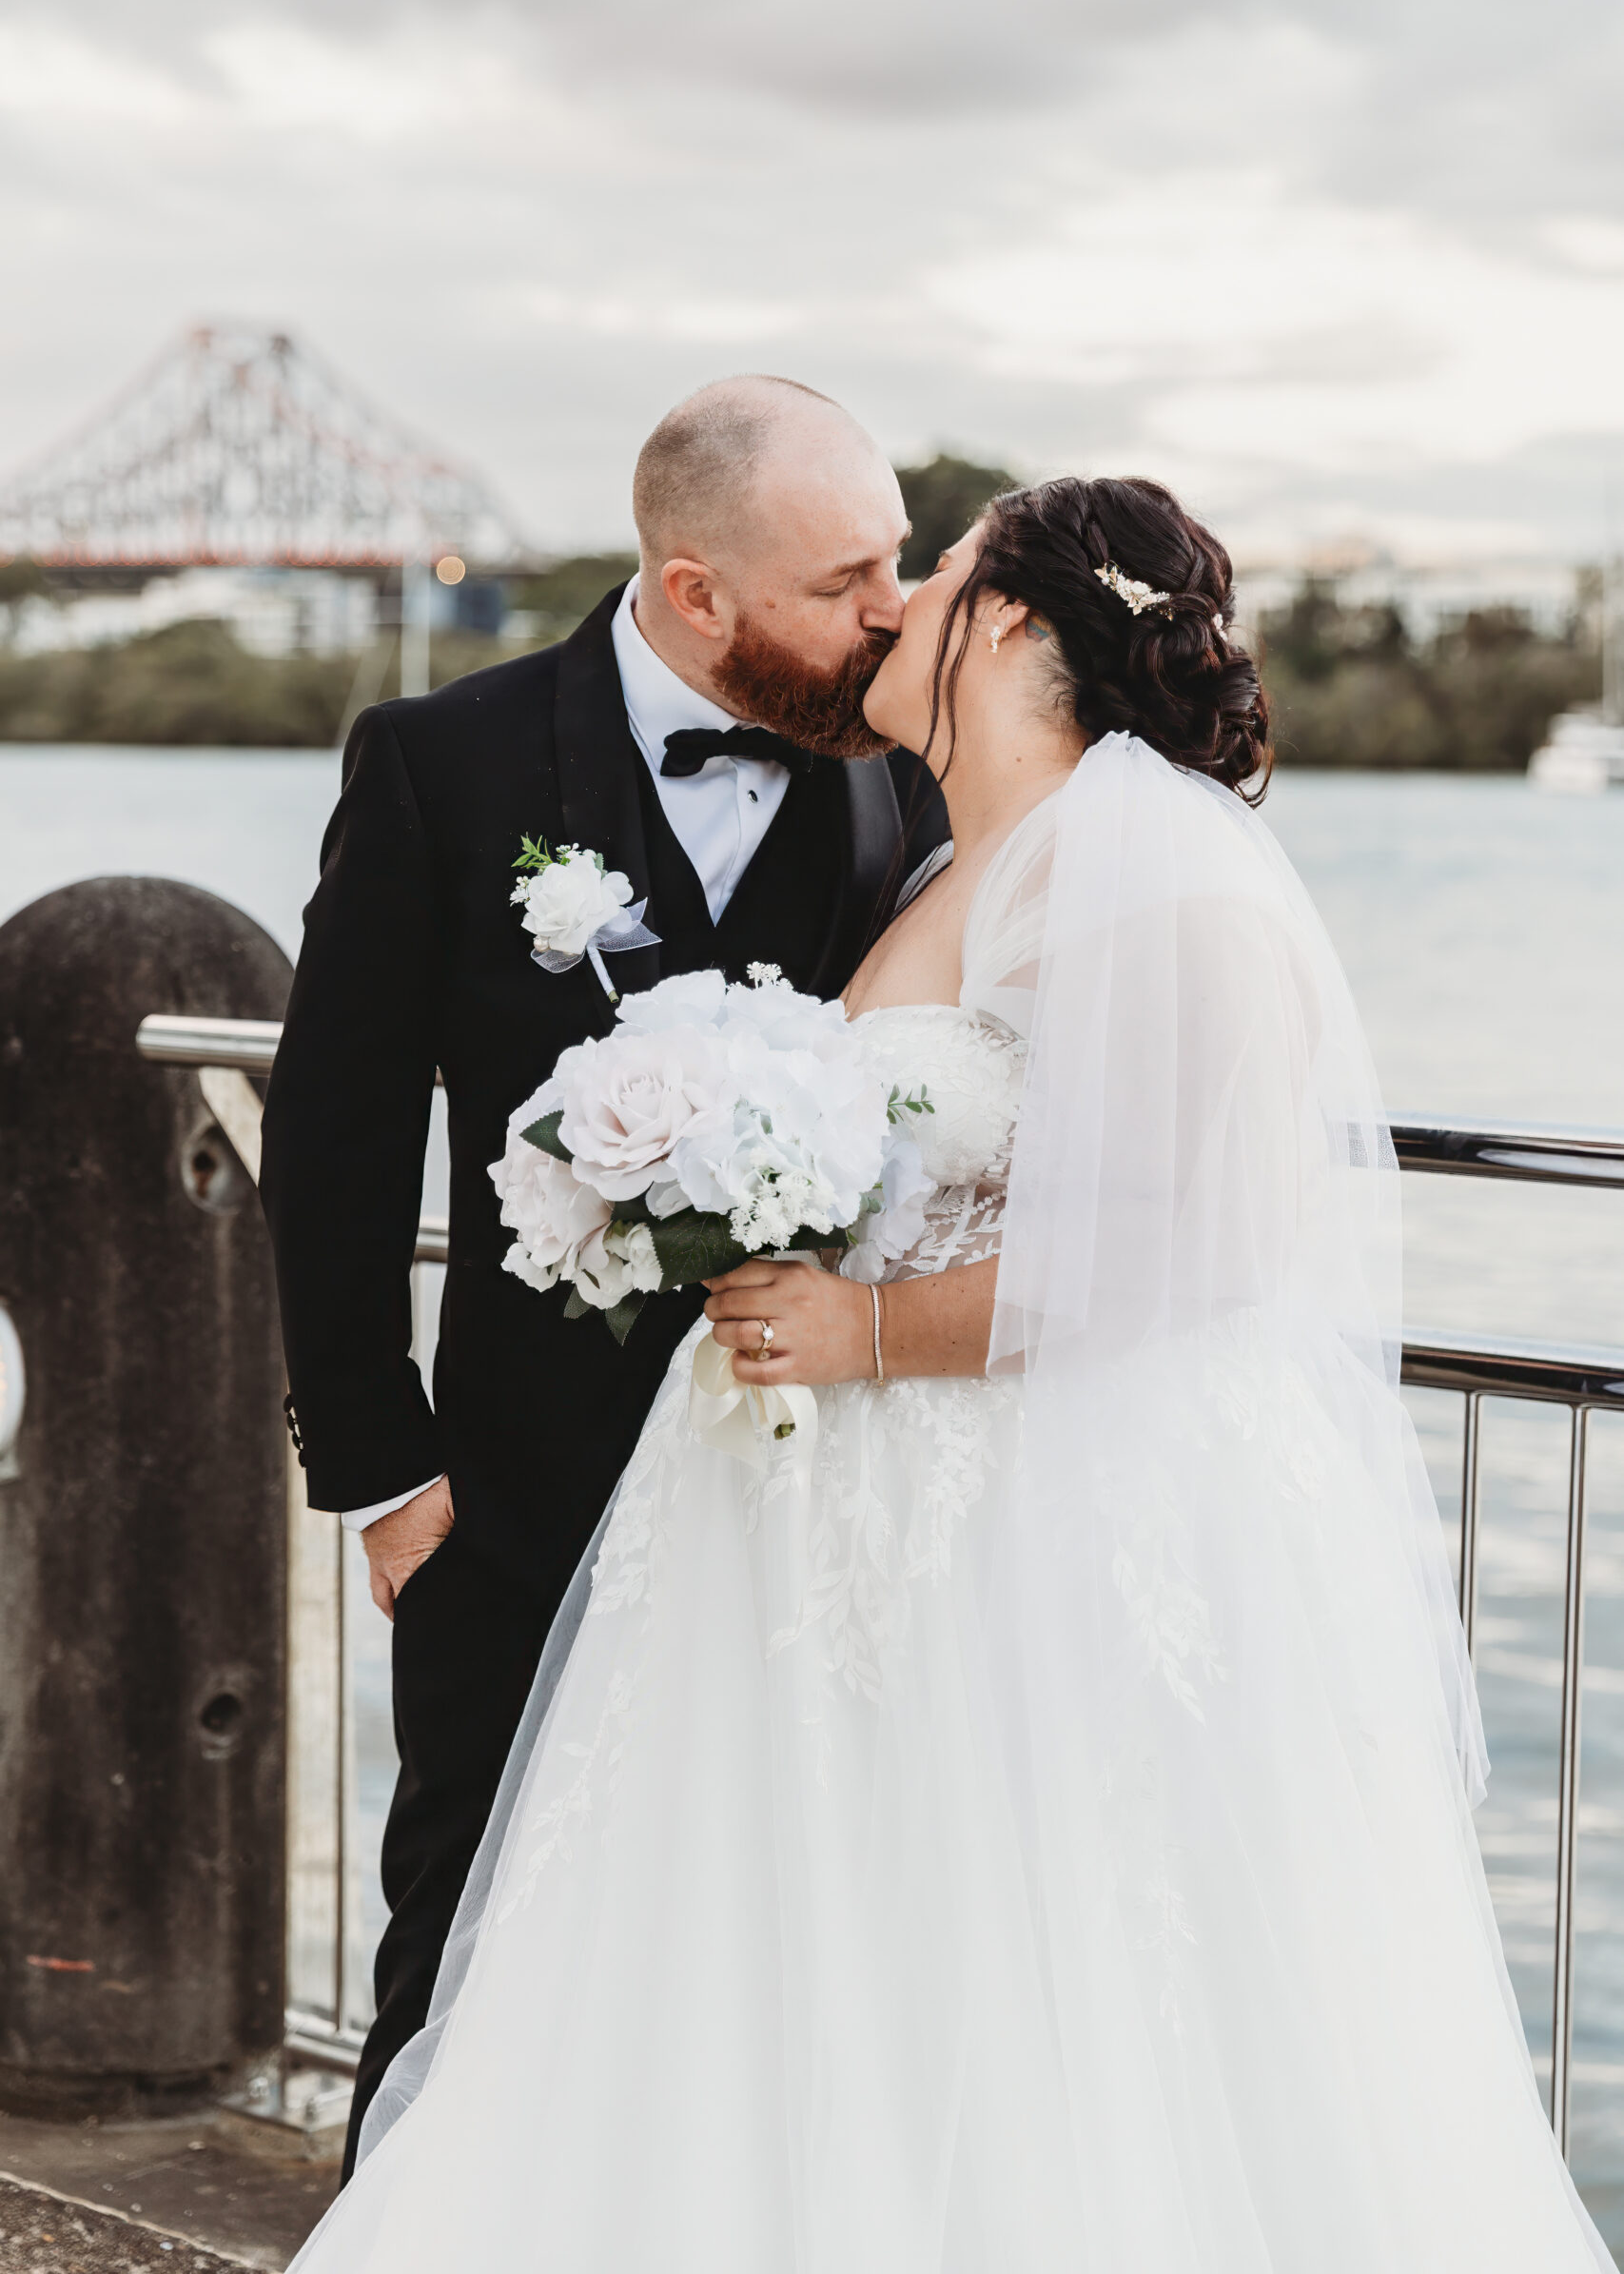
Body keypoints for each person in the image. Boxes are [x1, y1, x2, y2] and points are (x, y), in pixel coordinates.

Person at [288, 474, 1611, 2270]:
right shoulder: (941, 854)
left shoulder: (1158, 883)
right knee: (786, 1987)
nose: (896, 602)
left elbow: (1205, 1238)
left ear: (1011, 626)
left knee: (1028, 1993)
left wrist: (867, 1332)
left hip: (1017, 1530)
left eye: (935, 571)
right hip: (799, 1532)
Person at [258, 374, 949, 2172]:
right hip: (513, 1501)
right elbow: (333, 1140)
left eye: (898, 562)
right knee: (465, 1945)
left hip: (812, 1511)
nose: (892, 612)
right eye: (847, 581)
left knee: (765, 1958)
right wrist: (385, 1476)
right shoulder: (443, 762)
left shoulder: (904, 776)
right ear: (697, 592)